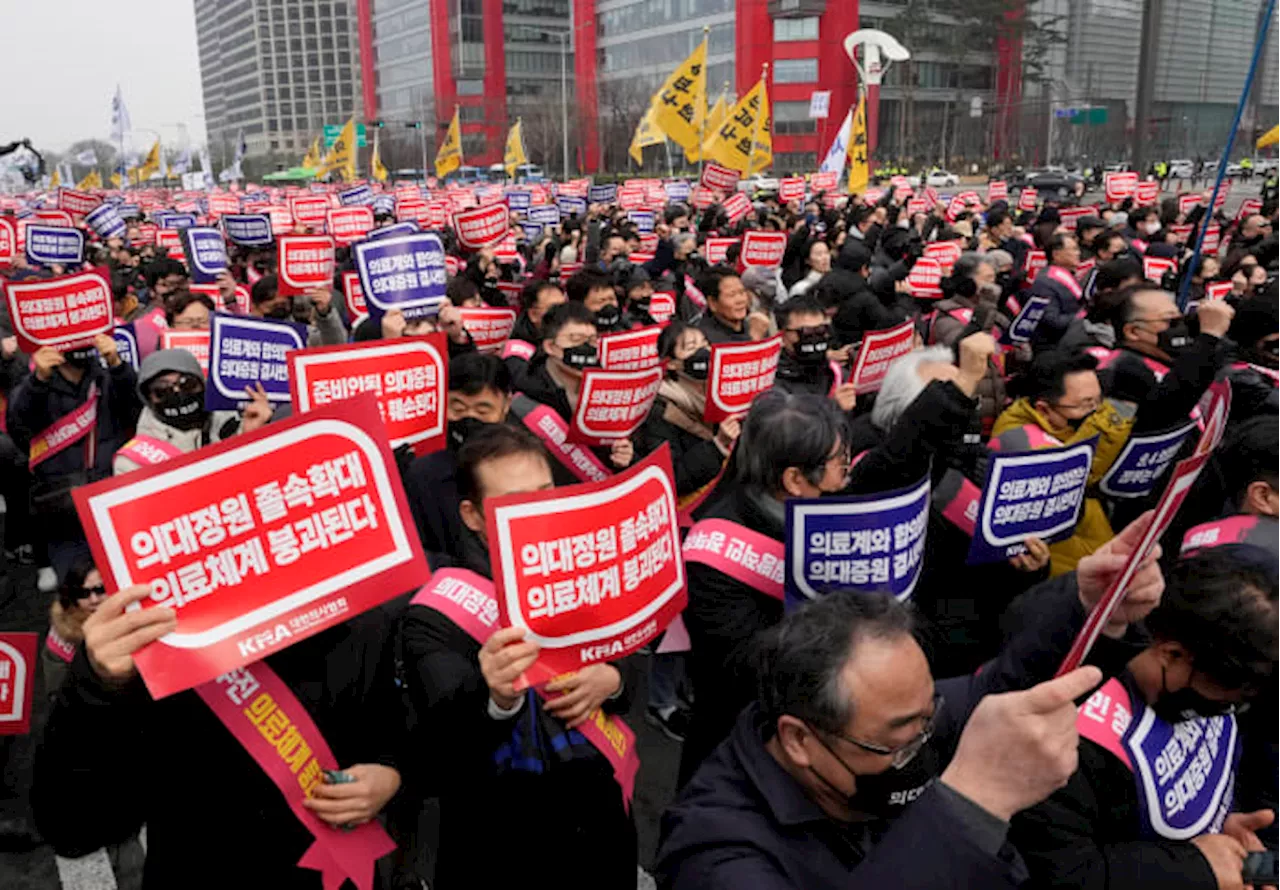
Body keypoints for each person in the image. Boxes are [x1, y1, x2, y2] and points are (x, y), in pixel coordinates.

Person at [657, 514, 1166, 890]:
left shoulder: (890, 724)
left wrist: (1093, 609)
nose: (925, 744)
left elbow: (996, 693)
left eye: (929, 720)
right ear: (798, 740)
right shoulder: (716, 851)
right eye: (901, 740)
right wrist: (969, 808)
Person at [31, 572, 407, 888]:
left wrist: (391, 775)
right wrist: (95, 686)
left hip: (336, 874)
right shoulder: (150, 643)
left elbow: (397, 732)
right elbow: (72, 826)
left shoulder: (360, 613)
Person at [398, 424, 637, 888]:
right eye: (515, 503)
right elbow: (439, 749)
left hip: (602, 823)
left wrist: (613, 677)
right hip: (502, 844)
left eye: (547, 492)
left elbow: (629, 659)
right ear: (471, 515)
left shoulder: (589, 570)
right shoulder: (437, 611)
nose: (540, 512)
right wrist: (495, 699)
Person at [1011, 546, 1280, 890]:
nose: (1228, 709)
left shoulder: (1233, 668)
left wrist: (1227, 839)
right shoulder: (1063, 731)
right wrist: (1194, 868)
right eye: (1224, 698)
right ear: (1172, 653)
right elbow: (1064, 874)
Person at [679, 389, 849, 784]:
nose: (845, 471)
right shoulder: (716, 553)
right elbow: (747, 666)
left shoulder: (823, 503)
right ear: (793, 479)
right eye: (837, 462)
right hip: (742, 743)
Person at [6, 334, 140, 579]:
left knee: (121, 578)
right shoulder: (35, 385)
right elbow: (20, 428)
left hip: (110, 497)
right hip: (63, 506)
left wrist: (118, 366)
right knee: (77, 588)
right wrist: (38, 382)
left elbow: (138, 413)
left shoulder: (110, 377)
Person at [993, 350, 1136, 576]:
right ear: (1044, 409)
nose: (1096, 412)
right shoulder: (1020, 443)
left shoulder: (1063, 425)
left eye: (1098, 400)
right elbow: (1077, 476)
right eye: (1085, 404)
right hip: (1066, 577)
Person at [404, 352, 513, 559]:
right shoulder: (423, 474)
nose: (469, 419)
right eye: (458, 409)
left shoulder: (527, 461)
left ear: (506, 404)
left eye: (482, 411)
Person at [508, 301, 634, 480]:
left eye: (592, 341)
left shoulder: (606, 391)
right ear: (550, 347)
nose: (587, 348)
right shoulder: (525, 400)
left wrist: (621, 458)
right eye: (576, 340)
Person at [1092, 285, 1234, 433]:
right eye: (1170, 322)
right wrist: (1208, 337)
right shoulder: (1119, 372)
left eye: (1181, 320)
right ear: (1133, 331)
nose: (1179, 328)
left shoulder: (1168, 358)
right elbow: (1164, 412)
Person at [112, 350, 272, 475]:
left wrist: (252, 437)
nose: (177, 393)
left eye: (187, 384)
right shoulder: (133, 463)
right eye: (162, 390)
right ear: (148, 398)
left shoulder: (235, 428)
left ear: (202, 385)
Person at [637, 320, 740, 501]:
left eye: (705, 345)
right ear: (671, 364)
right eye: (692, 348)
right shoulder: (659, 410)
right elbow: (672, 477)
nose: (703, 352)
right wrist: (717, 446)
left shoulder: (724, 392)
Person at [771, 294, 857, 411]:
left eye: (821, 330)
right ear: (782, 336)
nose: (815, 337)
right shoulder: (772, 383)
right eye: (806, 332)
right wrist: (833, 407)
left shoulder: (837, 375)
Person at [248, 275, 347, 346]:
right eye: (272, 302)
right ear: (255, 306)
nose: (279, 305)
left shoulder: (302, 334)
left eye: (283, 304)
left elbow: (336, 345)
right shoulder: (242, 334)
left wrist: (325, 313)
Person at [1028, 232, 1084, 348]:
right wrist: (1084, 317)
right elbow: (1053, 320)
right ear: (1056, 255)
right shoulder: (1045, 282)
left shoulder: (1071, 275)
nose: (1078, 253)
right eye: (1073, 249)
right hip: (1055, 346)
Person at [696, 267, 753, 344]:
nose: (740, 300)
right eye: (732, 295)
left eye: (742, 292)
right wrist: (754, 338)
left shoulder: (751, 324)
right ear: (713, 303)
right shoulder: (704, 339)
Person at [566, 267, 626, 333]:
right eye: (601, 301)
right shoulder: (568, 338)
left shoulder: (629, 330)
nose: (608, 306)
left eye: (611, 299)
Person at [510, 278, 566, 346]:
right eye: (554, 308)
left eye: (564, 307)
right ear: (533, 314)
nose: (563, 313)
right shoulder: (519, 349)